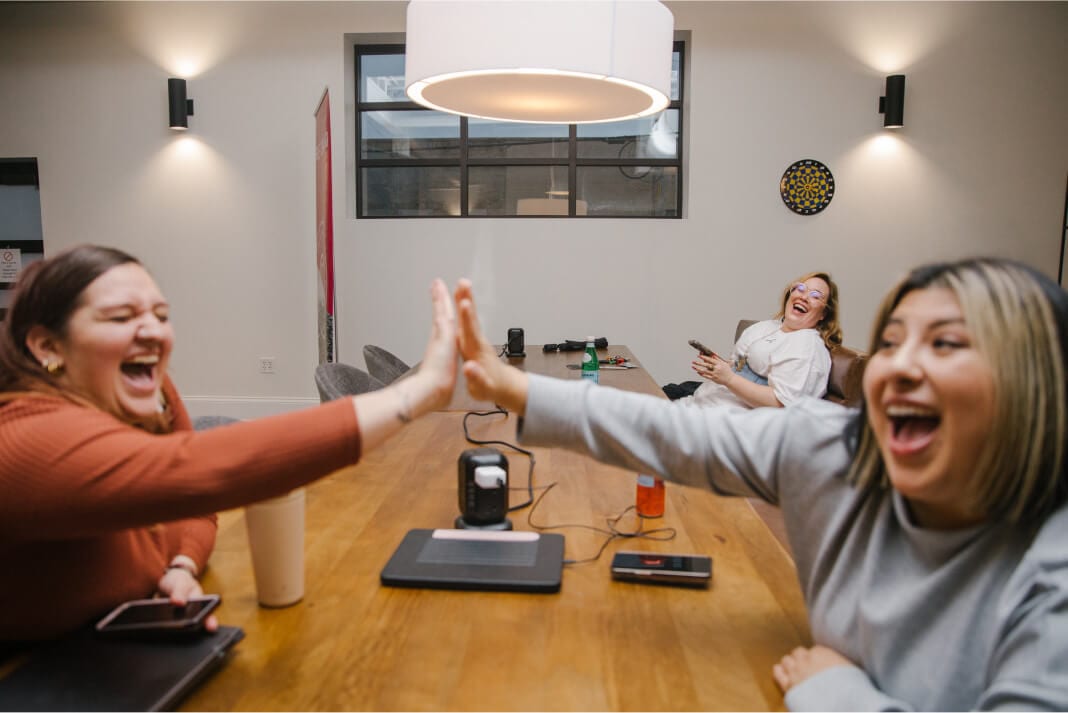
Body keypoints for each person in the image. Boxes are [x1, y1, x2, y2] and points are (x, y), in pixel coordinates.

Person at [453, 258, 1068, 711]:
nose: (901, 365)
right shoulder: (834, 450)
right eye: (891, 342)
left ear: (1033, 385)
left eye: (947, 345)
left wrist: (839, 693)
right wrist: (513, 389)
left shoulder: (1051, 568)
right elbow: (670, 435)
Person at [0, 245, 457, 641]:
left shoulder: (154, 397)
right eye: (122, 317)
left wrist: (180, 565)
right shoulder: (22, 443)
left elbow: (197, 506)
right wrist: (412, 395)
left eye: (161, 316)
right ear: (46, 346)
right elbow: (198, 471)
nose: (153, 331)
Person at [664, 272, 842, 408]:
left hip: (724, 424)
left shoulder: (807, 347)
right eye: (800, 288)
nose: (804, 296)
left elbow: (784, 404)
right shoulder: (766, 327)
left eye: (816, 295)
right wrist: (722, 367)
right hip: (699, 401)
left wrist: (729, 379)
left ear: (823, 314)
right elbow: (741, 363)